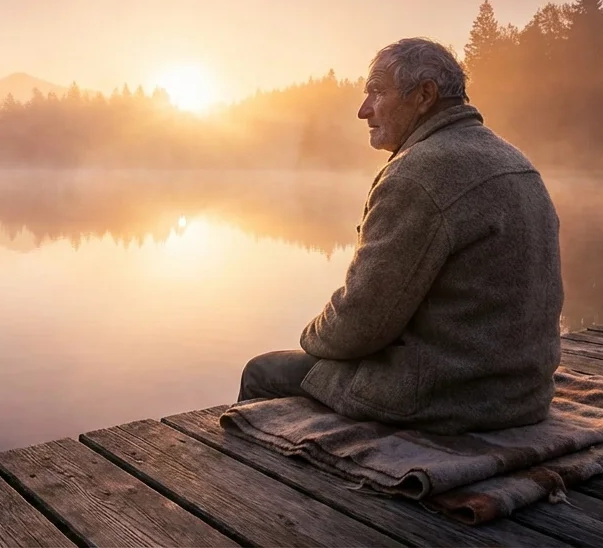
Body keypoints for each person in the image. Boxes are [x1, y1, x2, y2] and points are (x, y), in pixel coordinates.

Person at [237, 38, 563, 434]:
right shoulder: (514, 160)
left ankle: (262, 485)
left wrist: (311, 337)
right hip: (522, 392)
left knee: (263, 371)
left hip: (456, 396)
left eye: (377, 91)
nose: (363, 110)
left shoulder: (418, 173)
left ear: (424, 95)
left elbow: (360, 325)